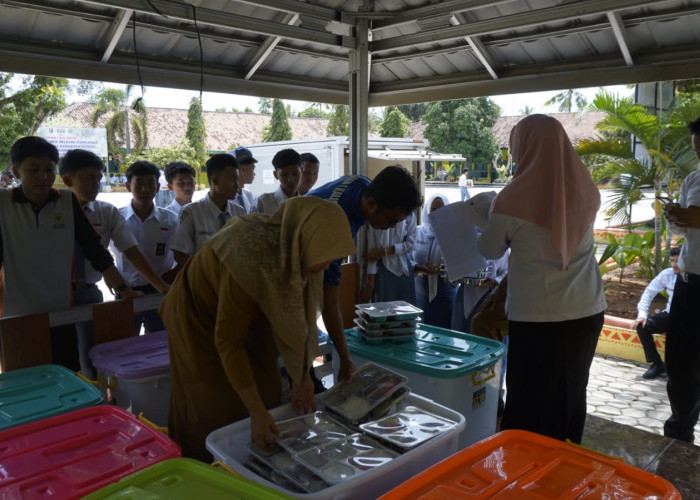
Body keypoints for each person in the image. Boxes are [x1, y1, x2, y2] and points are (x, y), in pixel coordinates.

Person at [159, 196, 355, 460]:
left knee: (267, 386)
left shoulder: (296, 249)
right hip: (197, 318)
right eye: (325, 258)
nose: (326, 267)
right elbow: (228, 342)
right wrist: (256, 412)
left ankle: (258, 456)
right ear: (307, 240)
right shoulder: (249, 253)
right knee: (209, 401)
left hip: (251, 315)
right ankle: (207, 465)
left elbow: (300, 318)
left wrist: (301, 375)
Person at [478, 114, 606, 444]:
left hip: (538, 319)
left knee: (529, 400)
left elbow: (490, 250)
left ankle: (528, 473)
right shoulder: (584, 188)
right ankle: (565, 464)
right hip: (586, 310)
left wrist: (482, 218)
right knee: (571, 394)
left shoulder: (510, 198)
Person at [0, 137, 137, 370]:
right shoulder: (3, 203)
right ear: (16, 171)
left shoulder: (66, 201)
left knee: (67, 375)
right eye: (34, 169)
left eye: (48, 170)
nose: (43, 177)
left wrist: (124, 290)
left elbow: (95, 249)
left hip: (61, 311)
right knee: (23, 379)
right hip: (16, 315)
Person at [60, 149, 170, 378]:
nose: (95, 184)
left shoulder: (106, 212)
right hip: (55, 294)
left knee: (94, 354)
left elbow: (131, 251)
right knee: (61, 356)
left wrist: (161, 289)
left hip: (90, 293)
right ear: (68, 180)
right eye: (88, 178)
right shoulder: (53, 210)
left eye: (98, 178)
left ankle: (99, 400)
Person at [307, 166, 423, 383]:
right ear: (372, 204)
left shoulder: (362, 185)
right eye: (390, 221)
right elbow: (329, 301)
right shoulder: (336, 225)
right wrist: (345, 357)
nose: (390, 228)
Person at [661, 115, 700, 443]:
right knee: (680, 362)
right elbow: (684, 231)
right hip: (689, 284)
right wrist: (674, 218)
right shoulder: (693, 180)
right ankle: (678, 435)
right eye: (697, 151)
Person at [114, 160, 179, 334]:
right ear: (128, 186)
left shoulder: (171, 219)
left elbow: (181, 255)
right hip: (127, 292)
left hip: (160, 293)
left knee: (160, 346)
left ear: (158, 187)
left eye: (150, 184)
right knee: (124, 345)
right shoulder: (116, 218)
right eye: (139, 184)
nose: (144, 189)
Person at [170, 153, 244, 265]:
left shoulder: (239, 211)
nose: (236, 185)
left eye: (237, 180)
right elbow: (180, 254)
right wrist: (202, 274)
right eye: (231, 179)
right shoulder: (191, 212)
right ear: (215, 181)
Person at [632, 246, 681, 380]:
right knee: (643, 326)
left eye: (678, 261)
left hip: (690, 318)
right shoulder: (667, 274)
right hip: (670, 314)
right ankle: (657, 364)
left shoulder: (695, 276)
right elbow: (649, 292)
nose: (674, 265)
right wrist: (642, 314)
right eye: (672, 261)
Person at [411, 194, 456, 328]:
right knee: (419, 330)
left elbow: (462, 262)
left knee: (444, 332)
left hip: (445, 292)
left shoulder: (454, 235)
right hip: (419, 290)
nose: (437, 214)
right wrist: (419, 267)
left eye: (442, 210)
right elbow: (407, 259)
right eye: (434, 209)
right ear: (427, 211)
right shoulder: (417, 232)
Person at [361, 212, 417, 304]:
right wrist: (370, 284)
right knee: (384, 311)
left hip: (405, 270)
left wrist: (385, 251)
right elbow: (372, 253)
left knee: (406, 312)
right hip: (383, 269)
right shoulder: (377, 213)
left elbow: (411, 244)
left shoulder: (410, 214)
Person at [256, 149, 302, 215]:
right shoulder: (263, 203)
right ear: (275, 175)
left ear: (301, 171)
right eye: (284, 175)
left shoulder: (307, 204)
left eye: (295, 173)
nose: (291, 179)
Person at [233, 146, 257, 213]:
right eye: (253, 168)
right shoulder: (226, 199)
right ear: (242, 170)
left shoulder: (248, 194)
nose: (254, 173)